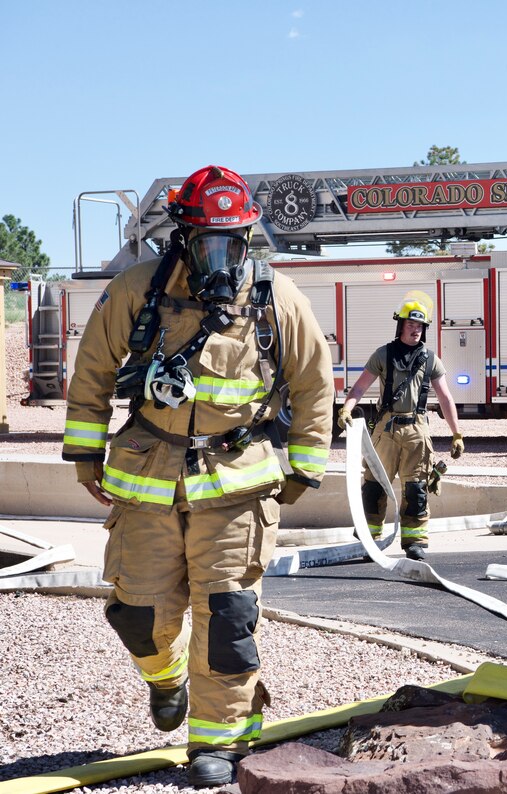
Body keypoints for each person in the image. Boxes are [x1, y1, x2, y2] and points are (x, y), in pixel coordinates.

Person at [62, 165, 333, 787]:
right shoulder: (136, 289)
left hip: (238, 485)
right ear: (184, 236)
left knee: (229, 617)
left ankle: (221, 742)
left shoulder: (277, 298)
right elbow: (94, 373)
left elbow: (317, 385)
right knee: (136, 614)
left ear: (248, 238)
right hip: (148, 474)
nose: (221, 255)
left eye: (232, 241)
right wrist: (84, 453)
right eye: (208, 240)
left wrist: (303, 467)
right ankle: (166, 677)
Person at [337, 299, 463, 560]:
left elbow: (446, 398)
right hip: (386, 429)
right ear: (401, 325)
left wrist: (457, 433)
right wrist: (347, 408)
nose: (416, 329)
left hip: (417, 430)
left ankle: (414, 542)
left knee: (416, 489)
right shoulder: (383, 354)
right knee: (374, 485)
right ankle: (369, 541)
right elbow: (360, 387)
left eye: (420, 325)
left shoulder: (430, 360)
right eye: (411, 324)